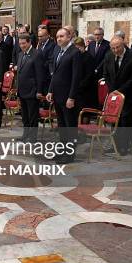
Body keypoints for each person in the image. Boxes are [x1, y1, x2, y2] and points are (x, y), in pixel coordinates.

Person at [46, 28, 81, 163]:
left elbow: (76, 77)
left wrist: (71, 97)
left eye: (61, 36)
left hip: (68, 97)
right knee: (61, 126)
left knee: (70, 126)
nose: (59, 39)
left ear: (69, 37)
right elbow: (54, 74)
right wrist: (50, 90)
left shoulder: (75, 52)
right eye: (57, 37)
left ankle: (70, 154)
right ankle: (62, 151)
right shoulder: (56, 50)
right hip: (58, 95)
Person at [103, 36, 132, 155]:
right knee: (114, 121)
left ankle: (125, 146)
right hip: (113, 93)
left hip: (127, 94)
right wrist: (112, 90)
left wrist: (120, 90)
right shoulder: (109, 56)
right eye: (113, 48)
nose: (115, 50)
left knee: (125, 121)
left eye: (117, 47)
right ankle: (115, 145)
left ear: (123, 44)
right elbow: (106, 74)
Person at [15, 34, 45, 141]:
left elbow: (40, 74)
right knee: (25, 116)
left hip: (32, 90)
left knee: (32, 116)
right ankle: (25, 135)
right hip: (22, 90)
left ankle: (32, 137)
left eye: (24, 43)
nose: (22, 45)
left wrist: (39, 91)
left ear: (29, 42)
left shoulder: (36, 54)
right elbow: (19, 73)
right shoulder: (20, 54)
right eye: (20, 43)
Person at [73, 37, 98, 111]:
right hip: (79, 89)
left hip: (87, 89)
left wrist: (80, 85)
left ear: (82, 46)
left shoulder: (88, 57)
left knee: (85, 111)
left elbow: (89, 75)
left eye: (77, 48)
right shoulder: (77, 56)